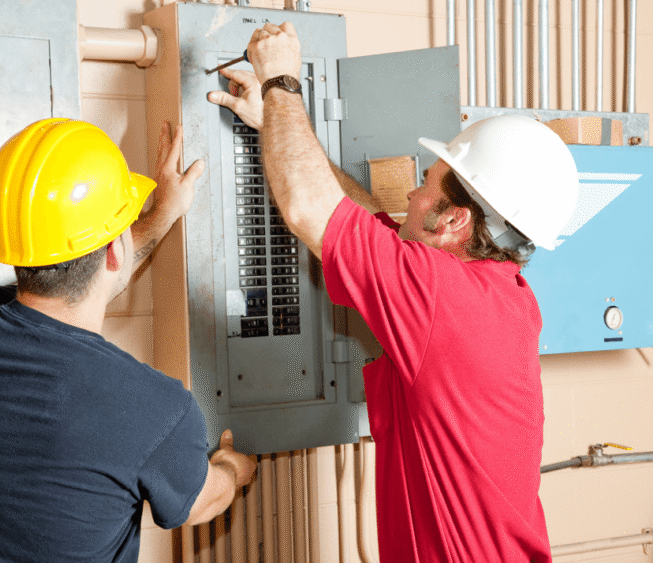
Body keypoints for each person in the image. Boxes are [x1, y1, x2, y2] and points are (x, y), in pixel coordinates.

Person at [209, 23, 579, 562]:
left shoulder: (440, 297)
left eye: (427, 180)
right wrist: (275, 128)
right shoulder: (497, 293)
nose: (412, 189)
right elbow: (365, 222)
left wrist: (281, 81)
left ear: (455, 219)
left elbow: (309, 210)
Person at [0, 118, 256, 562]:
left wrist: (159, 215)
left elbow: (61, 291)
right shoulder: (153, 408)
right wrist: (233, 468)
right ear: (113, 251)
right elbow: (203, 501)